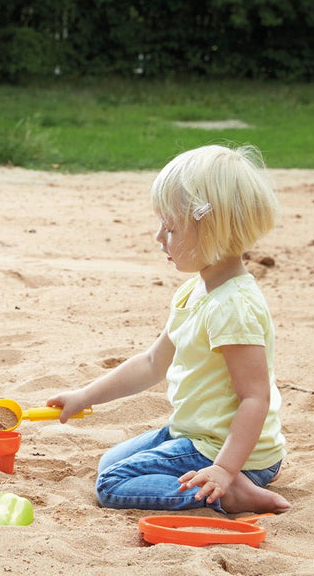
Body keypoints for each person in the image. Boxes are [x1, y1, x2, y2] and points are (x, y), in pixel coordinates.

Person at [47, 144, 291, 515]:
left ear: (210, 229)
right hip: (196, 435)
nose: (159, 236)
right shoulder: (196, 290)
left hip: (230, 453)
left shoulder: (233, 307)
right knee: (109, 463)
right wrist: (85, 395)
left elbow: (255, 398)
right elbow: (151, 363)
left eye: (171, 227)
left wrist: (224, 471)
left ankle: (231, 493)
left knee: (111, 484)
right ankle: (227, 481)